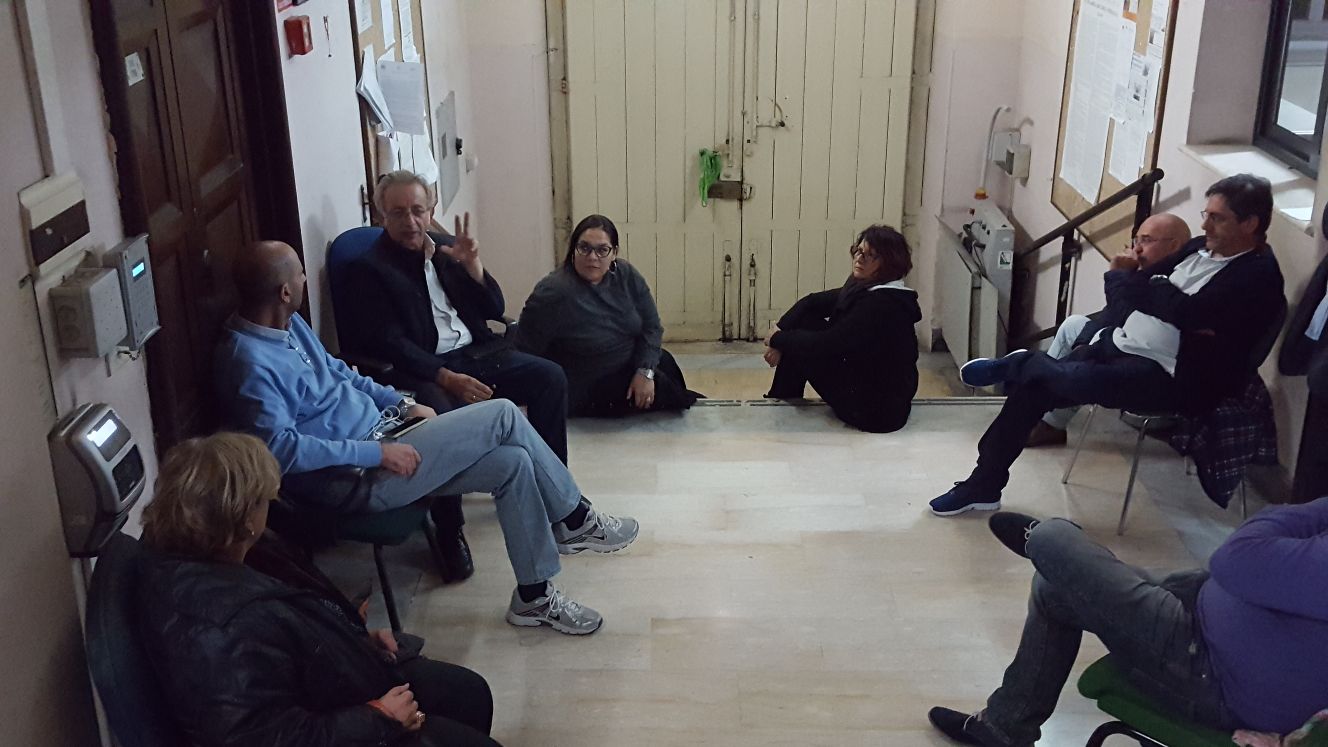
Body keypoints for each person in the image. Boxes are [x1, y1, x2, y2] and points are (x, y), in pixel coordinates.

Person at [215, 239, 638, 633]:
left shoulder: (291, 325)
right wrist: (375, 454)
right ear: (284, 291)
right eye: (299, 274)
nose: (305, 278)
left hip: (388, 434)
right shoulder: (248, 362)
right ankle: (575, 519)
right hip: (354, 477)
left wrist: (401, 403)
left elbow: (343, 374)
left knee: (513, 463)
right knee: (504, 414)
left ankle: (534, 597)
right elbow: (281, 450)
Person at [931, 174, 1285, 516]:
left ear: (1250, 224)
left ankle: (1019, 363)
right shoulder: (1198, 247)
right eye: (1206, 214)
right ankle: (984, 484)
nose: (1205, 225)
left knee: (1048, 375)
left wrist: (1151, 290)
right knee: (1033, 388)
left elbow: (1184, 311)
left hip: (1170, 376)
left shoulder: (1257, 277)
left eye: (1218, 218)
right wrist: (1152, 291)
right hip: (1122, 342)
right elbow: (1136, 292)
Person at [137, 433, 502, 746]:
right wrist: (377, 717)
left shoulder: (214, 552)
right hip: (346, 719)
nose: (271, 506)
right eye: (266, 499)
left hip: (330, 684)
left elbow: (284, 635)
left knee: (467, 692)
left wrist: (349, 635)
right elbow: (262, 737)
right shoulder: (222, 626)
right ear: (245, 517)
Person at [927, 502, 1328, 746]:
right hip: (1207, 608)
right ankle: (1003, 729)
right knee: (1058, 585)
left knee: (1054, 554)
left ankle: (1047, 539)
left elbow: (1237, 554)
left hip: (1209, 672)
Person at [347, 171, 573, 576]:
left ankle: (551, 492)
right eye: (398, 213)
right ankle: (449, 530)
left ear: (430, 210)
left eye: (418, 210)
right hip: (424, 369)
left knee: (550, 377)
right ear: (381, 216)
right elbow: (389, 342)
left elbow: (494, 307)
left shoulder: (448, 250)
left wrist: (474, 266)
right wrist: (445, 377)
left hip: (478, 353)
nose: (410, 221)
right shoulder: (368, 270)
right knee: (442, 421)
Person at [1026, 212, 1191, 447]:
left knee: (1076, 360)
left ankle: (1043, 417)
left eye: (1146, 240)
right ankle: (1043, 416)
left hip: (1150, 369)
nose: (1137, 249)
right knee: (1072, 325)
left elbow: (1123, 318)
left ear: (1173, 245)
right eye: (1136, 241)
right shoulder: (1148, 274)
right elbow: (1113, 317)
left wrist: (1119, 275)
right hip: (1127, 345)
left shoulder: (1174, 282)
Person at [515, 214, 700, 416]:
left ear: (614, 253)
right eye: (584, 248)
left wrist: (644, 371)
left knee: (665, 362)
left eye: (602, 250)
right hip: (589, 383)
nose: (592, 257)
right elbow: (525, 349)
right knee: (666, 391)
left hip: (627, 362)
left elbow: (652, 326)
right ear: (573, 249)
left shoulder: (627, 276)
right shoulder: (554, 292)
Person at [762, 224, 921, 433]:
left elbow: (827, 344)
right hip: (873, 393)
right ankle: (781, 398)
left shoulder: (881, 304)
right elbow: (812, 302)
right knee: (805, 322)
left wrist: (778, 340)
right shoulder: (867, 288)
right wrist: (779, 329)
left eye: (870, 255)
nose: (859, 258)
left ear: (889, 264)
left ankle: (780, 400)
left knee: (804, 342)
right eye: (859, 251)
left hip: (876, 412)